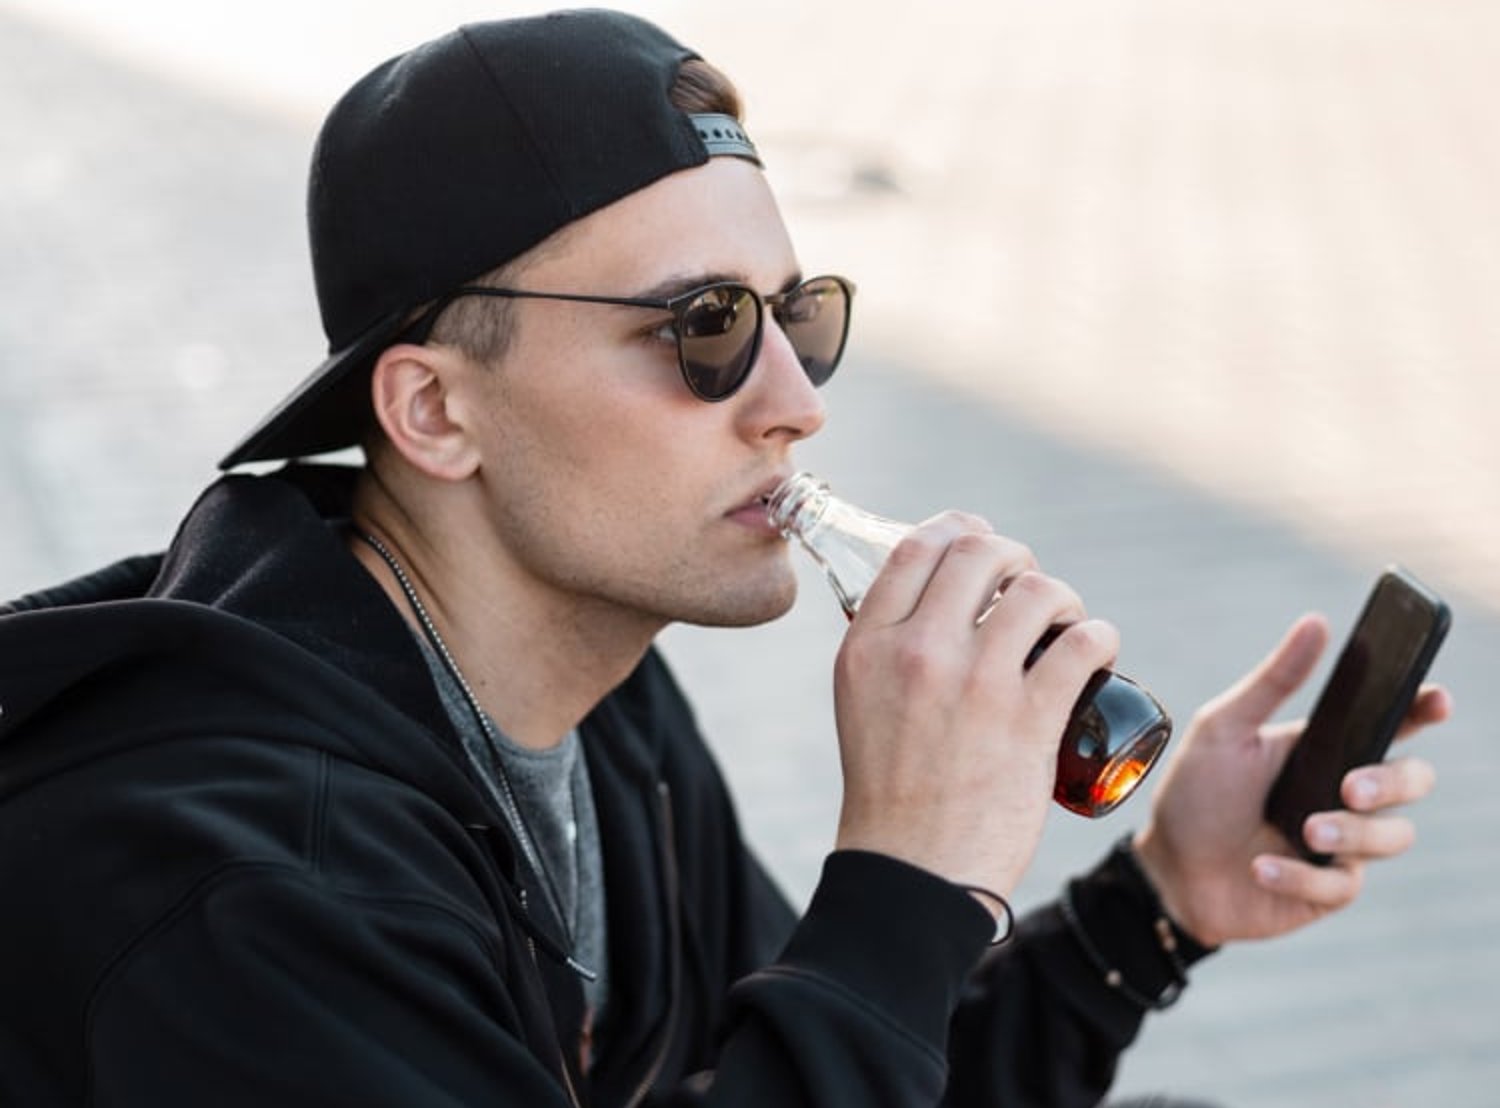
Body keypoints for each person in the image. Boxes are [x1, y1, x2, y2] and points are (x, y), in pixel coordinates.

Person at [0, 9, 1447, 1106]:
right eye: (703, 329)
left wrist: (1153, 905)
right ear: (437, 410)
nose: (797, 400)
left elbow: (819, 1063)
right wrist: (909, 878)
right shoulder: (247, 892)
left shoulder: (591, 693)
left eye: (795, 312)